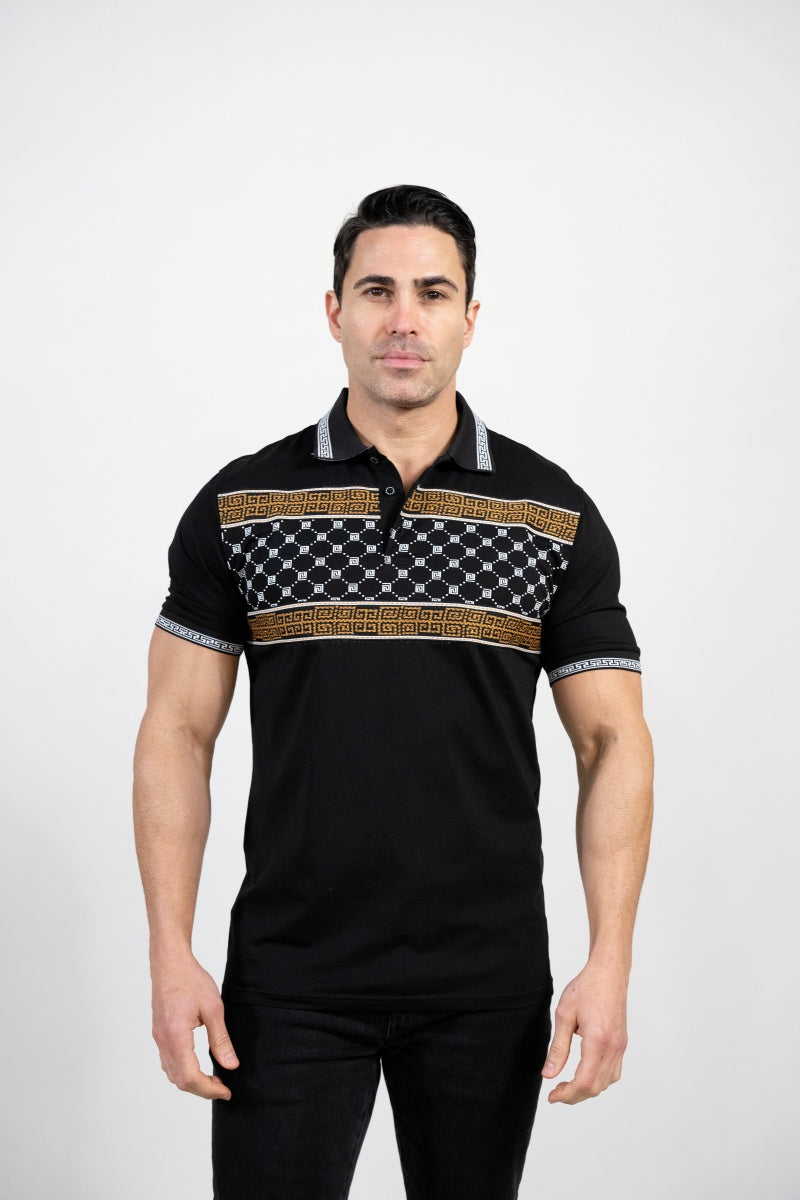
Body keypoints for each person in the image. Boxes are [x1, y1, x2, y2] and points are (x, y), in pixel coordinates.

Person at [133, 184, 654, 1200]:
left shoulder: (551, 514)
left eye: (432, 292)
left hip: (485, 982)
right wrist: (170, 953)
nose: (403, 318)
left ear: (470, 316)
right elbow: (178, 731)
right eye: (376, 291)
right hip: (290, 976)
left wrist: (609, 962)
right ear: (335, 311)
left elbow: (612, 744)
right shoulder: (242, 504)